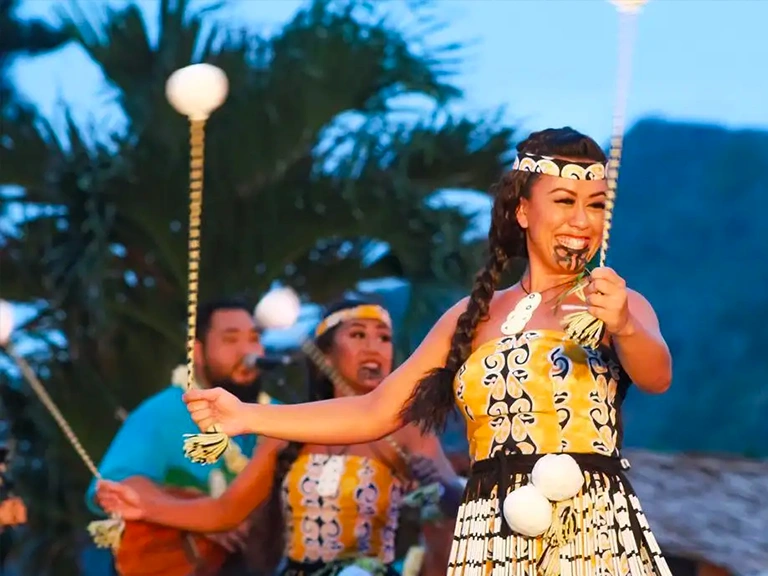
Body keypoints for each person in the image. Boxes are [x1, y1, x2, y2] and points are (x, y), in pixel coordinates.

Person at [181, 128, 675, 575]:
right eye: (565, 200)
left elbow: (656, 374)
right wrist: (245, 415)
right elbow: (373, 411)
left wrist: (625, 326)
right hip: (493, 534)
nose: (582, 220)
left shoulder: (617, 302)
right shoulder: (472, 316)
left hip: (588, 525)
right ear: (523, 211)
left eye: (595, 205)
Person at [97, 298, 465, 576]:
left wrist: (445, 491)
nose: (373, 347)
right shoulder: (287, 426)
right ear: (327, 353)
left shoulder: (408, 430)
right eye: (357, 335)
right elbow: (225, 511)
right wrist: (145, 506)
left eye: (384, 338)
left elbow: (460, 505)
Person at [88, 296, 268, 574]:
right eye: (231, 340)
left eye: (254, 339)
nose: (247, 351)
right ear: (197, 351)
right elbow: (119, 487)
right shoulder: (161, 412)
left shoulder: (277, 414)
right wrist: (202, 516)